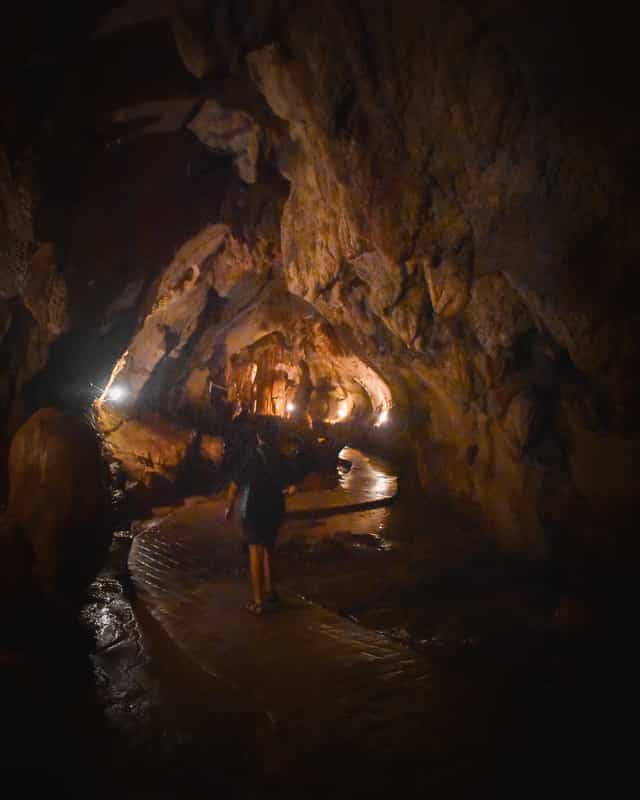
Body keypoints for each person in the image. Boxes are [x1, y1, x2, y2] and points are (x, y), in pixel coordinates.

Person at [225, 420, 296, 615]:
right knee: (269, 551)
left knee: (255, 554)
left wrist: (229, 507)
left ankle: (258, 602)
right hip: (274, 510)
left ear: (258, 436)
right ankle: (270, 591)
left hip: (254, 511)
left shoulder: (251, 457)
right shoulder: (280, 457)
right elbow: (291, 485)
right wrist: (287, 491)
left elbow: (234, 485)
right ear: (276, 437)